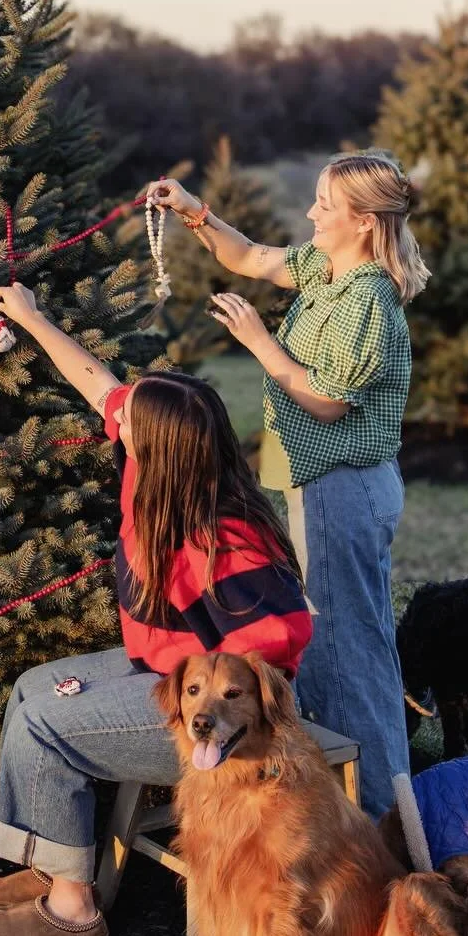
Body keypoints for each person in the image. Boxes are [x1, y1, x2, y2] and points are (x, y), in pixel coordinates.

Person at [0, 281, 311, 936]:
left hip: (224, 729)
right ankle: (50, 860)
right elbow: (97, 380)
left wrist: (207, 723)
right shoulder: (157, 472)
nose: (116, 417)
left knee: (46, 719)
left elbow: (285, 639)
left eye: (131, 419)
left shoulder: (227, 544)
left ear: (161, 449)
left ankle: (72, 913)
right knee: (33, 689)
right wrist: (34, 317)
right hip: (166, 671)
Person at [152, 149, 428, 818]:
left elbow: (327, 399)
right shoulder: (327, 270)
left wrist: (257, 339)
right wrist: (195, 211)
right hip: (324, 484)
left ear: (363, 222)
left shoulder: (364, 297)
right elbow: (250, 258)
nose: (310, 212)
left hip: (344, 487)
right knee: (352, 637)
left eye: (324, 206)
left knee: (343, 648)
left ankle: (378, 817)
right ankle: (375, 797)